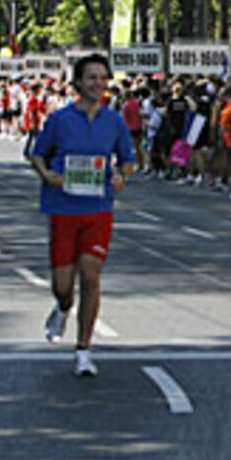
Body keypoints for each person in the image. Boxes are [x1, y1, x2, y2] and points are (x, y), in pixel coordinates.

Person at [29, 53, 135, 378]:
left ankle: (84, 350)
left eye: (103, 78)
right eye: (92, 78)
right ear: (78, 83)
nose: (98, 84)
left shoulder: (114, 121)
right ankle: (63, 308)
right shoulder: (59, 120)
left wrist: (122, 177)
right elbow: (36, 154)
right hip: (63, 208)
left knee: (90, 277)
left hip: (98, 208)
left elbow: (128, 159)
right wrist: (47, 175)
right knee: (63, 285)